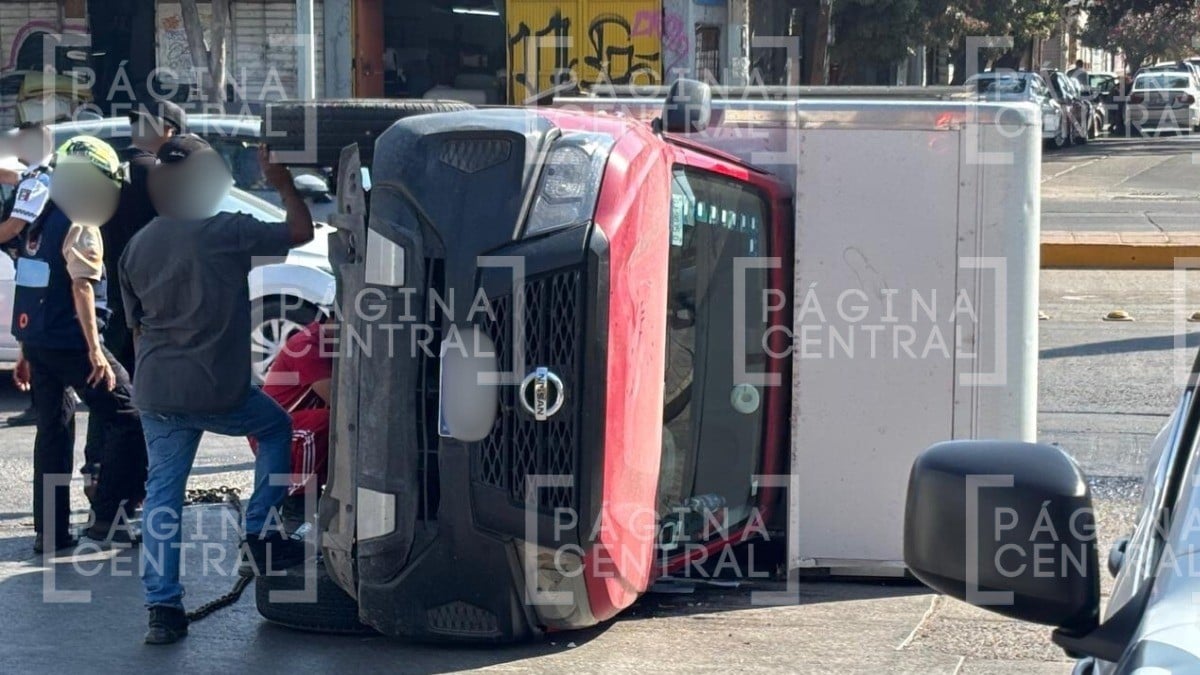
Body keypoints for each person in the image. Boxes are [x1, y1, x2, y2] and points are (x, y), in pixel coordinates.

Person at [120, 135, 314, 645]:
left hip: (157, 391)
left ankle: (162, 610)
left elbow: (136, 328)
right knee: (277, 426)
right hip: (217, 390)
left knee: (163, 495)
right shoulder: (225, 229)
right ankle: (261, 533)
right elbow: (300, 230)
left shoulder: (137, 245)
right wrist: (281, 183)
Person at [2, 135, 147, 554]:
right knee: (131, 414)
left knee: (53, 431)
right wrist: (96, 350)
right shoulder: (81, 219)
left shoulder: (36, 213)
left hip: (41, 341)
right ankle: (107, 522)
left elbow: (32, 280)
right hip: (73, 343)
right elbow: (82, 287)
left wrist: (26, 349)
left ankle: (50, 533)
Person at [104, 100, 185, 374]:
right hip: (150, 289)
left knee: (117, 375)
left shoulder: (110, 164)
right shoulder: (157, 172)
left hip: (113, 283)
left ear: (170, 131)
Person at [253, 313, 334, 523]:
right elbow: (336, 399)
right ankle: (296, 501)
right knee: (326, 421)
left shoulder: (326, 341)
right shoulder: (307, 345)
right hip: (275, 431)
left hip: (290, 425)